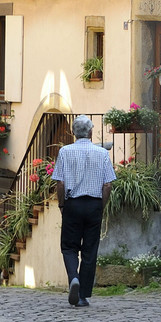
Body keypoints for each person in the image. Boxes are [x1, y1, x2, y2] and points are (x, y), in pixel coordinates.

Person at [50, 115, 115, 307]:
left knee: (69, 247)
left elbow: (60, 183)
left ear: (73, 132)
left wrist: (62, 205)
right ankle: (83, 294)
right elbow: (108, 185)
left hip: (73, 204)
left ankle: (73, 279)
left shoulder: (65, 151)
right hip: (94, 203)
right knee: (90, 249)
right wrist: (100, 207)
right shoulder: (102, 153)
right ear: (91, 132)